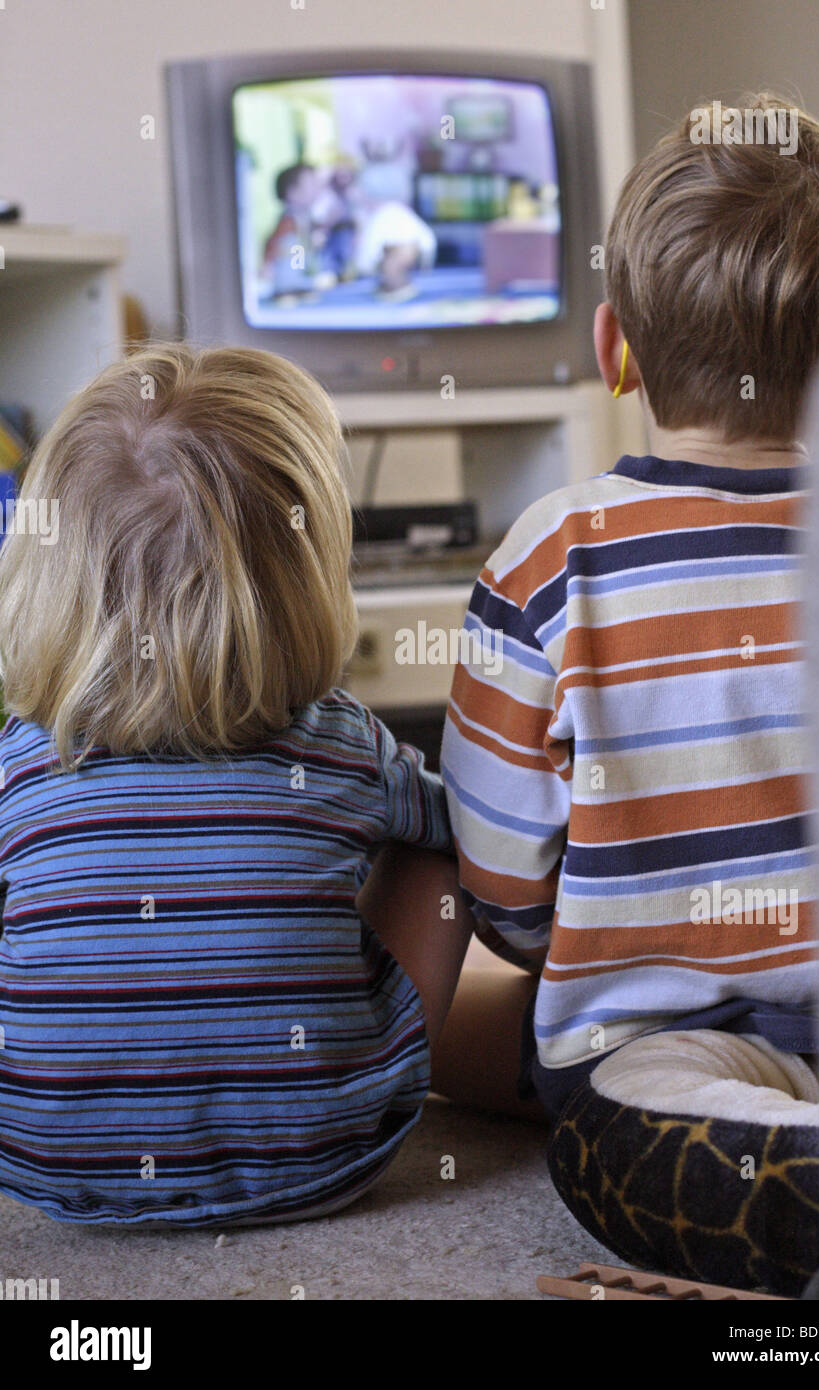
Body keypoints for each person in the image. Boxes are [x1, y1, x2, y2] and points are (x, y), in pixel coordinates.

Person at [437, 93, 819, 1123]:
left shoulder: (546, 560)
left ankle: (755, 1137)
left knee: (446, 1031)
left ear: (615, 351)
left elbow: (503, 898)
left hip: (650, 1041)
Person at [0, 344, 474, 1226]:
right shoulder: (341, 746)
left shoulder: (24, 755)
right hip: (326, 1155)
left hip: (45, 1165)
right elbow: (462, 832)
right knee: (430, 858)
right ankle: (323, 1064)